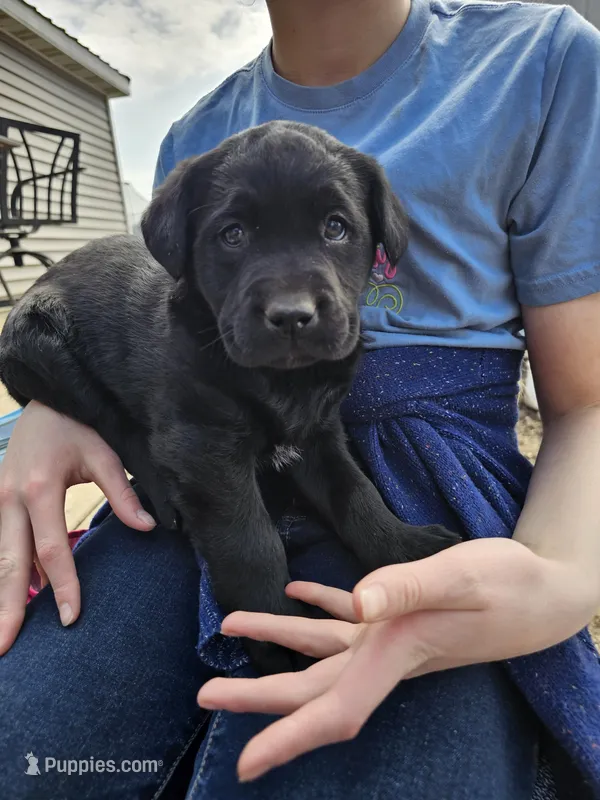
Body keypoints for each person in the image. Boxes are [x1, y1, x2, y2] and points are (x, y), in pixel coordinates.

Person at [1, 0, 600, 797]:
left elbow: (587, 402)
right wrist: (52, 407)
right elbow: (155, 329)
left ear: (381, 238)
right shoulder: (196, 136)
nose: (288, 299)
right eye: (236, 236)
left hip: (441, 482)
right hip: (192, 476)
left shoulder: (542, 60)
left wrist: (559, 582)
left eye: (333, 229)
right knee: (33, 755)